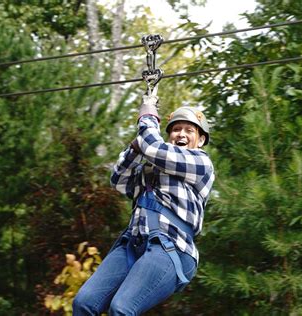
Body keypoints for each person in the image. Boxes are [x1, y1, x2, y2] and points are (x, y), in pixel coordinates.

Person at [73, 91, 215, 315]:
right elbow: (118, 180)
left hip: (172, 247)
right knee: (84, 303)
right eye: (176, 129)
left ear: (201, 140)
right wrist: (134, 149)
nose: (182, 134)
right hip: (134, 246)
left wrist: (148, 114)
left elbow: (152, 147)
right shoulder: (149, 169)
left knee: (121, 308)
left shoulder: (200, 163)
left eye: (190, 130)